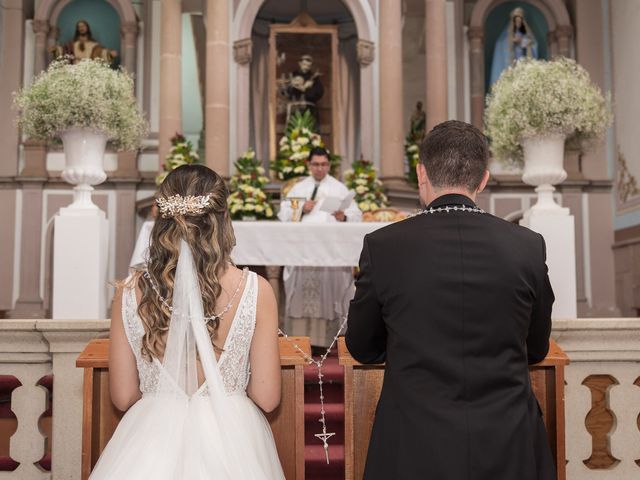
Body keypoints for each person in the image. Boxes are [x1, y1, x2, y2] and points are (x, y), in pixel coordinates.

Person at [346, 120, 555, 479]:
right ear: (484, 178)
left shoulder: (383, 246)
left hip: (413, 443)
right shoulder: (527, 246)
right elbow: (535, 348)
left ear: (421, 173)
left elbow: (361, 346)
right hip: (509, 441)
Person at [90, 164, 285, 479]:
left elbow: (123, 396)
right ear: (222, 219)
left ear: (162, 220)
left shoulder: (130, 291)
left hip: (149, 441)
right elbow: (267, 396)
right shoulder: (255, 290)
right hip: (232, 440)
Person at [278, 147, 361, 349]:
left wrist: (345, 217)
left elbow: (356, 214)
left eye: (323, 164)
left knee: (330, 290)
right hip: (303, 251)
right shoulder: (298, 189)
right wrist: (300, 209)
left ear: (329, 165)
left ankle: (329, 341)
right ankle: (300, 340)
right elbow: (283, 213)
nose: (320, 168)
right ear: (309, 165)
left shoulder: (339, 188)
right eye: (315, 164)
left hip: (329, 253)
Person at [489, 7, 538, 86]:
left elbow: (533, 44)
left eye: (520, 20)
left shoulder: (525, 34)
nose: (518, 22)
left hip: (523, 62)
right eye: (516, 21)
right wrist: (512, 42)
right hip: (510, 65)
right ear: (513, 22)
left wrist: (522, 42)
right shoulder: (505, 37)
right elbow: (500, 45)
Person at [52, 20, 118, 64]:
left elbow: (102, 53)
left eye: (83, 26)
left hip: (88, 70)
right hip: (74, 69)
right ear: (77, 29)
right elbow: (64, 51)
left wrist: (110, 54)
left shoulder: (94, 45)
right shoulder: (72, 44)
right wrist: (56, 50)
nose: (81, 28)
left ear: (87, 28)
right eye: (79, 27)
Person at [286, 54, 324, 124]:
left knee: (310, 132)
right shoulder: (292, 75)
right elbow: (286, 91)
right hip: (295, 109)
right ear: (300, 63)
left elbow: (319, 93)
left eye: (308, 65)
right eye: (304, 64)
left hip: (310, 110)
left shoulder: (315, 78)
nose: (306, 67)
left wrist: (306, 90)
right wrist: (294, 86)